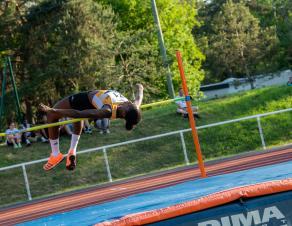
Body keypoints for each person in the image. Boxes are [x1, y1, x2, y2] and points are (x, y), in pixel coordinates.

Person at [40, 84, 144, 171]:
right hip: (91, 102)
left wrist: (53, 110)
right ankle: (72, 151)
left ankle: (55, 153)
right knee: (76, 118)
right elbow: (139, 97)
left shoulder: (107, 110)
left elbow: (79, 113)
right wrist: (140, 87)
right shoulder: (133, 107)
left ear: (125, 113)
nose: (129, 102)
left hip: (85, 100)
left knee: (52, 116)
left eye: (129, 105)